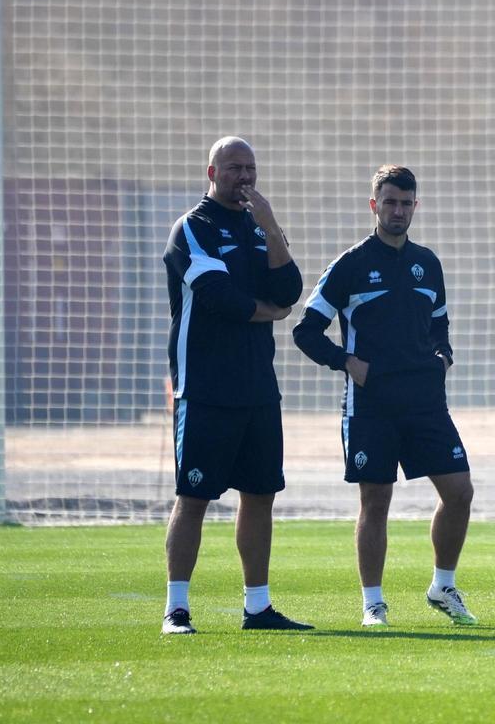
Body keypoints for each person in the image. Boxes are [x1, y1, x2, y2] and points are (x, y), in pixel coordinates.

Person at [292, 165, 477, 627]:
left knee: (460, 492)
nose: (398, 210)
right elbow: (305, 330)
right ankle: (373, 604)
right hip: (371, 405)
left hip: (425, 403)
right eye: (389, 202)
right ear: (374, 205)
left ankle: (442, 585)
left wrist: (443, 357)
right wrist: (346, 362)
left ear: (416, 206)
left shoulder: (428, 263)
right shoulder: (350, 264)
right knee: (376, 502)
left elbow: (440, 326)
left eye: (406, 202)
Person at [161, 136, 311, 634]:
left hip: (257, 388)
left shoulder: (258, 226)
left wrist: (269, 225)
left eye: (250, 168)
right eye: (233, 168)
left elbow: (289, 289)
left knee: (260, 494)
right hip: (205, 388)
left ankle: (258, 607)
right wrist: (265, 312)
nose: (243, 176)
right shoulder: (192, 228)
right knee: (194, 496)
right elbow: (216, 296)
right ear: (212, 171)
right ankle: (177, 609)